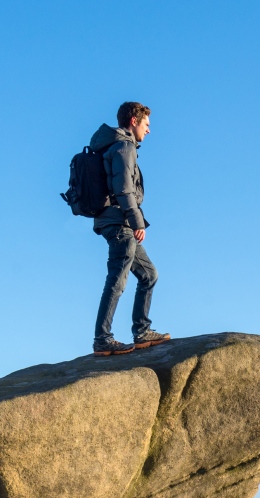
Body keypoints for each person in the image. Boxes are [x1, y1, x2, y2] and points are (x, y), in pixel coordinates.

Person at [87, 102, 171, 356]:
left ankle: (142, 331)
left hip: (114, 220)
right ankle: (103, 338)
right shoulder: (124, 147)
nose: (149, 131)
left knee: (149, 275)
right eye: (146, 125)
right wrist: (136, 222)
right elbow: (124, 189)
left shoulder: (114, 145)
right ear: (134, 121)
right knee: (117, 279)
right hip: (119, 222)